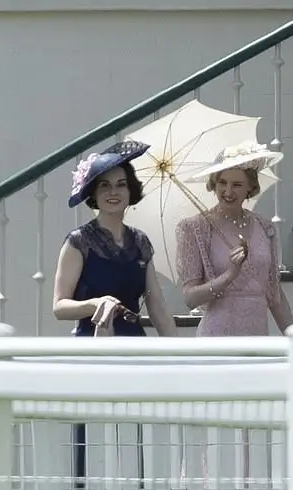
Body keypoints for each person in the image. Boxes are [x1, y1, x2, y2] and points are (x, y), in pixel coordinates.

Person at [53, 140, 178, 488]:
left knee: (131, 436)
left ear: (131, 190)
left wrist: (181, 353)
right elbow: (59, 306)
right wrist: (96, 303)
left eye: (121, 184)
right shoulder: (79, 241)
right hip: (91, 347)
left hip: (134, 348)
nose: (114, 191)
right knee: (93, 438)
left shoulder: (141, 242)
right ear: (93, 192)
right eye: (105, 184)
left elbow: (156, 304)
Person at [175, 140, 293, 336]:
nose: (228, 192)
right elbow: (190, 298)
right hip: (217, 338)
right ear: (214, 183)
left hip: (257, 337)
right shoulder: (195, 228)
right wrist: (229, 275)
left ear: (250, 187)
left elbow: (275, 295)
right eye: (222, 183)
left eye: (237, 185)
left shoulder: (265, 227)